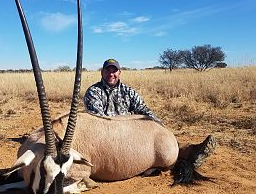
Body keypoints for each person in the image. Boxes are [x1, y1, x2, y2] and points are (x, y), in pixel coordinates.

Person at [84, 58, 216, 173]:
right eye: (108, 71)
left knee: (158, 140)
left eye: (114, 71)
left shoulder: (128, 91)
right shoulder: (93, 92)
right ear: (102, 72)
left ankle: (188, 150)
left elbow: (142, 108)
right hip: (106, 137)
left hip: (129, 131)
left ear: (119, 73)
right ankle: (185, 153)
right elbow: (98, 121)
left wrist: (158, 125)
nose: (111, 74)